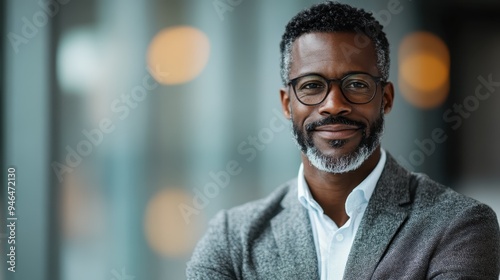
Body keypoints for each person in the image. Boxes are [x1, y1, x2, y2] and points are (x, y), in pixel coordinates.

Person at [186, 2, 500, 279]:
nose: (334, 104)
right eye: (311, 85)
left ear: (386, 99)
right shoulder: (232, 237)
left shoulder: (458, 224)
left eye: (357, 84)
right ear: (286, 103)